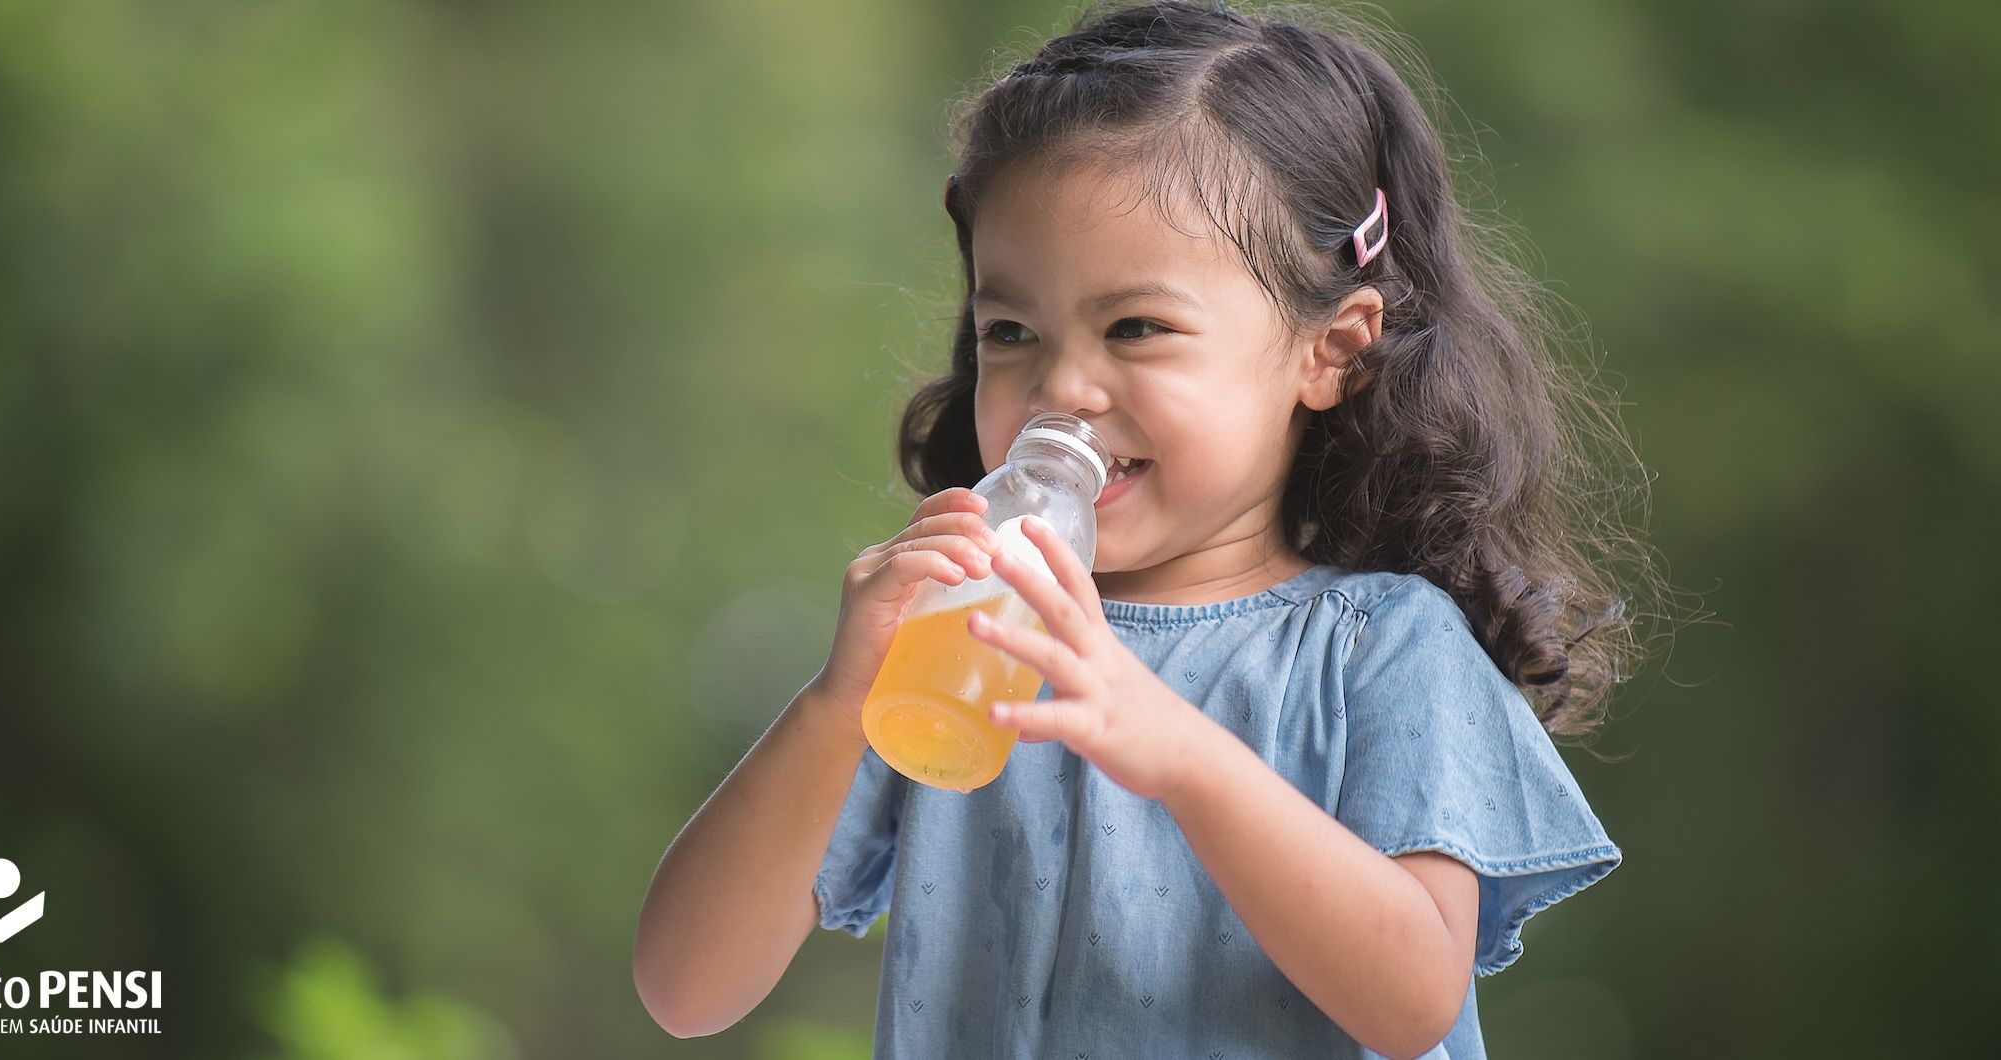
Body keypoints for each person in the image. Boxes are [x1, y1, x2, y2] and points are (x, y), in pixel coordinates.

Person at [635, 2, 1662, 1055]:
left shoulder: (1382, 647)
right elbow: (685, 987)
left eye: (1136, 327)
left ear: (1332, 351)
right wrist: (837, 701)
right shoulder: (967, 640)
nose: (1062, 387)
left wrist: (1179, 751)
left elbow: (1413, 999)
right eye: (1009, 331)